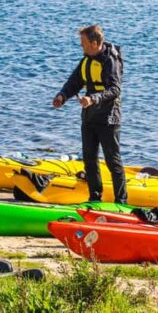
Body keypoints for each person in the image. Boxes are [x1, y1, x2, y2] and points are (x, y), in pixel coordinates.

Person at [52, 25, 127, 204]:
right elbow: (74, 82)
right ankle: (95, 197)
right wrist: (62, 96)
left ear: (94, 43)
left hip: (109, 117)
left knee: (112, 160)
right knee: (89, 159)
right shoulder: (86, 60)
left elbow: (115, 89)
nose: (81, 46)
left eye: (84, 43)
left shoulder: (111, 60)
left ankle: (121, 201)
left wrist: (93, 98)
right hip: (89, 116)